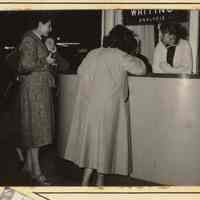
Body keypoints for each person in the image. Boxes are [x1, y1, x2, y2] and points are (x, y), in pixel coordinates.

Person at [64, 25, 146, 186]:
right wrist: (135, 54)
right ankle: (97, 184)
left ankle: (87, 183)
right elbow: (141, 69)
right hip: (109, 109)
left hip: (90, 107)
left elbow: (80, 71)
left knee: (93, 147)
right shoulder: (120, 55)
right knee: (105, 146)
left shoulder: (93, 53)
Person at [18, 14, 56, 185]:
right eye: (49, 25)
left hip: (38, 91)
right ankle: (37, 172)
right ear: (40, 23)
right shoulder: (29, 39)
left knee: (36, 130)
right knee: (37, 131)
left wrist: (47, 61)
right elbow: (26, 65)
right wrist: (45, 61)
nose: (50, 29)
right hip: (34, 92)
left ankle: (28, 166)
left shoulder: (36, 39)